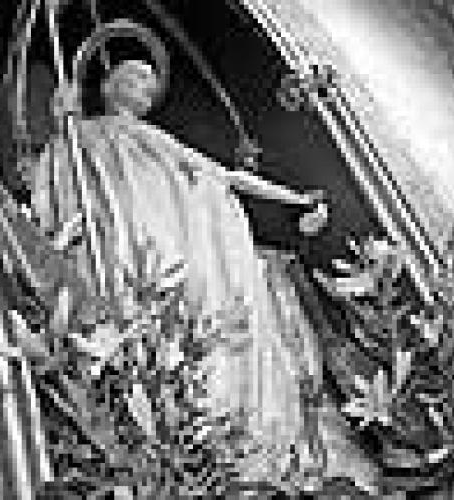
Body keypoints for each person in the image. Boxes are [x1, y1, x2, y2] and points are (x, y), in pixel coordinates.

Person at [29, 58, 343, 492]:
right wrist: (59, 120)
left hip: (158, 239)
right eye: (134, 77)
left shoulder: (156, 139)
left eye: (149, 84)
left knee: (176, 304)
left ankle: (189, 419)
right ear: (107, 85)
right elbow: (57, 175)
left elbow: (226, 177)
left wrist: (294, 199)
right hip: (111, 234)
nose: (143, 89)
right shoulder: (82, 133)